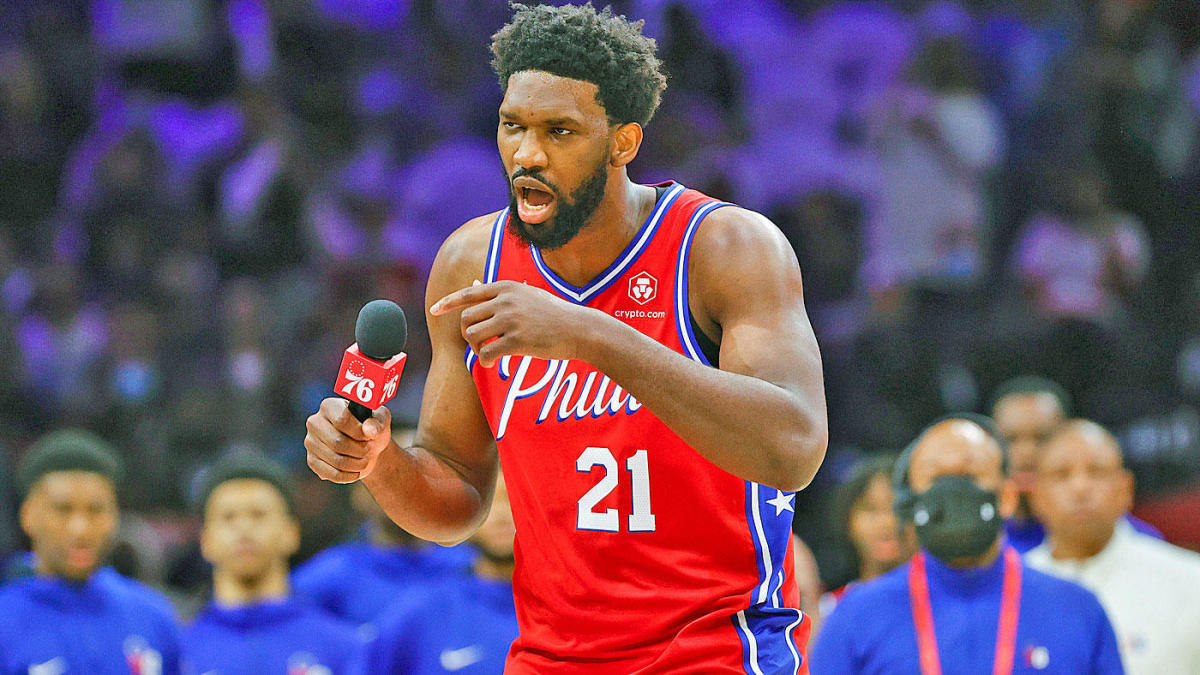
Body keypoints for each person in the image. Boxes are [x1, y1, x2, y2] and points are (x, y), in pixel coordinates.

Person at [303, 4, 828, 672]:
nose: (527, 154)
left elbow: (792, 448)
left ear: (623, 142)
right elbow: (456, 496)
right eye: (512, 126)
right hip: (554, 656)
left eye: (559, 131)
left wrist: (588, 334)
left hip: (715, 648)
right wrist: (380, 461)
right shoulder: (471, 262)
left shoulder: (724, 247)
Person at [810, 415, 1124, 674]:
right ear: (913, 502)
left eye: (969, 475)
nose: (952, 491)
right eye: (935, 478)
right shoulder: (855, 616)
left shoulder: (1077, 609)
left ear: (1007, 497)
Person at [0, 429, 183, 675]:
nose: (80, 529)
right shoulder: (5, 623)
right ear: (28, 515)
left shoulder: (152, 616)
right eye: (63, 510)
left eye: (95, 510)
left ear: (115, 515)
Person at [1025, 420, 1200, 674]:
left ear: (1125, 489)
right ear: (1036, 496)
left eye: (1096, 472)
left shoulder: (1190, 583)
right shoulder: (1011, 590)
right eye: (1061, 475)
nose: (1080, 488)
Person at [181, 452, 365, 675]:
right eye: (228, 517)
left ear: (291, 532)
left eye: (258, 514)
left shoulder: (343, 647)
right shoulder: (178, 652)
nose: (244, 528)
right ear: (205, 540)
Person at [291, 426, 473, 631]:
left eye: (418, 478)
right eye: (392, 477)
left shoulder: (470, 568)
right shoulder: (328, 576)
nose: (404, 492)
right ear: (359, 493)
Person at [365, 474, 519, 673]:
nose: (501, 515)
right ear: (464, 511)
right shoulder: (426, 608)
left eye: (511, 499)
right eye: (490, 502)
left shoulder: (556, 607)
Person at [991, 376, 1160, 552]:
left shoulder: (1140, 544)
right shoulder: (984, 547)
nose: (1027, 453)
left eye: (1042, 437)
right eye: (1010, 439)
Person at [818, 456, 912, 619]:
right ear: (848, 521)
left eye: (897, 508)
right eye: (870, 509)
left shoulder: (943, 602)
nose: (886, 522)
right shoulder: (829, 610)